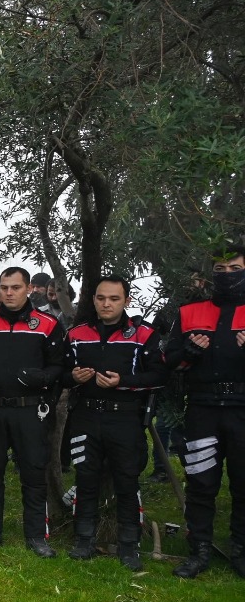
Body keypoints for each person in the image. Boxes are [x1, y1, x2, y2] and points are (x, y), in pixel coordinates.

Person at [0, 266, 67, 556]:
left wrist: (43, 379)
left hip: (30, 411)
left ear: (28, 288)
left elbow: (59, 365)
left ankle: (36, 536)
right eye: (5, 287)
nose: (9, 293)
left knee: (33, 473)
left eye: (16, 287)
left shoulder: (46, 323)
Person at [63, 275, 165, 569]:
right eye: (100, 298)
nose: (106, 304)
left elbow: (160, 375)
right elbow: (60, 370)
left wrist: (124, 382)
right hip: (85, 416)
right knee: (85, 477)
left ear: (127, 301)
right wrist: (72, 376)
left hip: (125, 417)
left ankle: (129, 545)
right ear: (93, 299)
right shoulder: (77, 333)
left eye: (114, 299)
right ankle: (83, 541)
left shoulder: (143, 334)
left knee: (127, 480)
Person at [163, 243, 245, 578]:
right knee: (200, 482)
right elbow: (169, 361)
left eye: (236, 270)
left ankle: (240, 551)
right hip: (202, 411)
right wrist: (190, 353)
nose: (227, 277)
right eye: (220, 271)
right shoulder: (189, 312)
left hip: (242, 410)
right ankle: (199, 551)